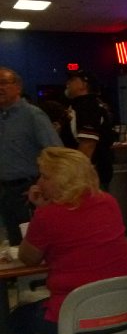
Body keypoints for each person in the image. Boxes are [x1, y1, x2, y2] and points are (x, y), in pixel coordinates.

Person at [9, 147, 127, 334]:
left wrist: (40, 210)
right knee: (95, 301)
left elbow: (29, 258)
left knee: (18, 319)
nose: (38, 182)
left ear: (61, 180)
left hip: (78, 315)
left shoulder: (48, 217)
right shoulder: (109, 202)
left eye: (44, 176)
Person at [0, 67, 63, 245]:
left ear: (18, 87)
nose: (0, 88)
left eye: (3, 83)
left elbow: (56, 153)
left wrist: (41, 186)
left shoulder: (33, 115)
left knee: (34, 244)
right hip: (7, 193)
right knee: (14, 243)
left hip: (29, 191)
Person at [64, 70, 115, 189]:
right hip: (91, 172)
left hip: (89, 175)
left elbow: (88, 144)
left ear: (84, 85)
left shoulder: (88, 106)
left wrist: (76, 175)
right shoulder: (81, 105)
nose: (67, 83)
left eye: (72, 80)